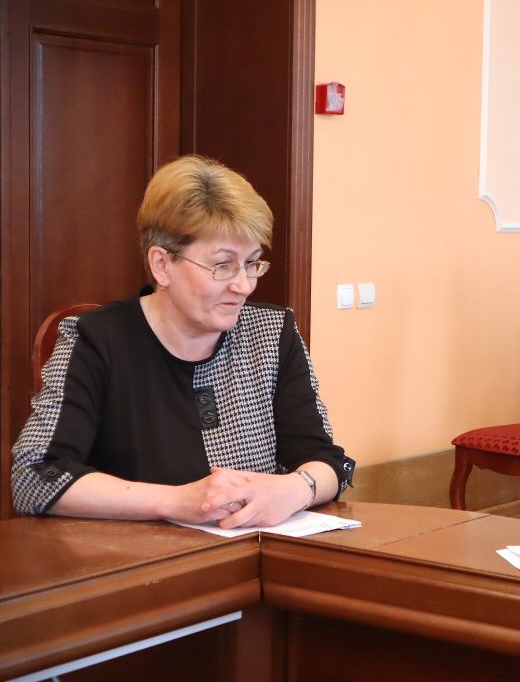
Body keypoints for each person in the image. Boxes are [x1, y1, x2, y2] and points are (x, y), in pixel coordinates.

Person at [11, 155, 354, 527]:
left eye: (252, 263)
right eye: (223, 265)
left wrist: (298, 487)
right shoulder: (96, 339)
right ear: (162, 264)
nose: (243, 285)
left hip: (255, 551)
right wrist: (173, 501)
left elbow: (328, 462)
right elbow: (34, 476)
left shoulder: (271, 331)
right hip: (143, 556)